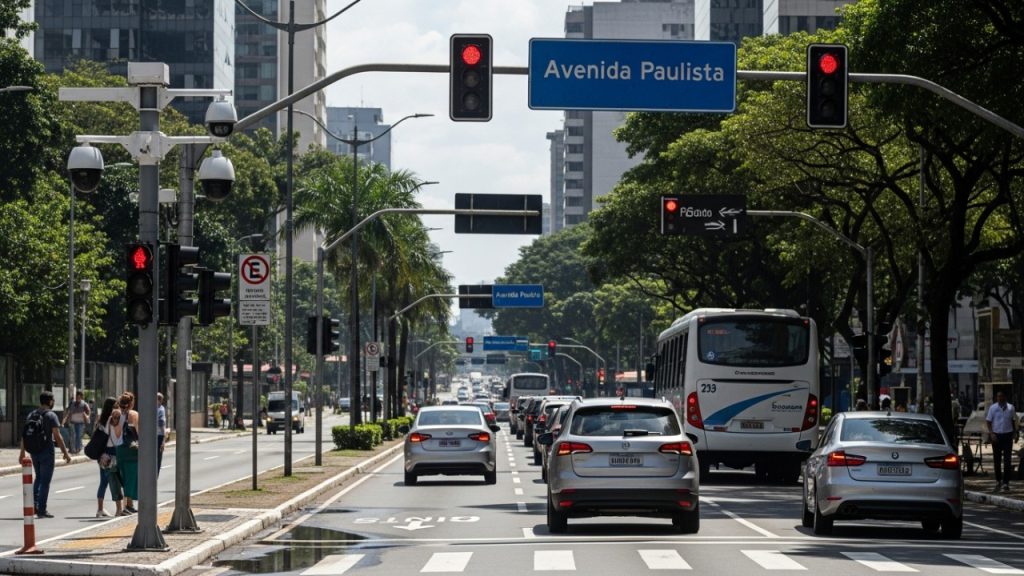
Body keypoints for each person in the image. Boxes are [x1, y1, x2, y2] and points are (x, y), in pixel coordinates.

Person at [19, 391, 72, 518]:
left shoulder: (32, 414)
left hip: (33, 451)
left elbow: (25, 435)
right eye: (53, 400)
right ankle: (42, 509)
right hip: (47, 451)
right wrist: (65, 453)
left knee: (38, 478)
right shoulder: (51, 415)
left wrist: (22, 453)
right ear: (50, 401)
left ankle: (33, 505)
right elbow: (57, 436)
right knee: (45, 481)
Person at [985, 391, 1019, 492]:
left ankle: (1006, 483)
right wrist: (991, 433)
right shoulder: (993, 408)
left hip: (1008, 435)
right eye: (998, 396)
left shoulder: (1011, 408)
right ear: (997, 397)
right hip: (996, 436)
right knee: (997, 460)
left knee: (1007, 460)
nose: (1000, 398)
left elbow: (1013, 421)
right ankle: (998, 481)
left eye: (1002, 396)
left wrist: (1015, 433)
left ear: (1005, 397)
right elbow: (988, 421)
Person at [113, 392, 139, 514]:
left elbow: (117, 433)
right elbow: (139, 432)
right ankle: (129, 504)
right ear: (131, 403)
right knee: (131, 477)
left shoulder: (116, 414)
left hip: (120, 449)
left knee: (123, 477)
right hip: (132, 449)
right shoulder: (134, 414)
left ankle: (128, 504)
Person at [93, 397, 117, 517]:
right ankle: (119, 508)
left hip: (102, 453)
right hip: (111, 451)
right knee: (115, 481)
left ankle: (100, 509)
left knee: (103, 481)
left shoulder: (100, 420)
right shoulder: (112, 420)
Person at [156, 393, 167, 476]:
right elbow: (161, 424)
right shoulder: (161, 409)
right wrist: (164, 440)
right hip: (159, 436)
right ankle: (155, 477)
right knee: (158, 459)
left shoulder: (148, 407)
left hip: (150, 436)